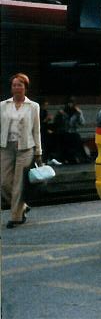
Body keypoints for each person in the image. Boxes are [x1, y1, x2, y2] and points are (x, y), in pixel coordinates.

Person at [0, 73, 42, 229]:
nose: (16, 88)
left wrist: (38, 152)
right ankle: (22, 206)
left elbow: (36, 130)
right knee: (4, 182)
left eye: (19, 85)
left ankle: (16, 217)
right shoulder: (3, 105)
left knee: (19, 183)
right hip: (6, 147)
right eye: (14, 85)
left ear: (25, 87)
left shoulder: (33, 106)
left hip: (25, 147)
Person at [54, 96, 89, 164]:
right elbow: (56, 122)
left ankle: (83, 157)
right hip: (64, 132)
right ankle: (63, 158)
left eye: (71, 103)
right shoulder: (62, 111)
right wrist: (60, 115)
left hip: (73, 131)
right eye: (68, 103)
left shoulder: (77, 112)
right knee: (62, 139)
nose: (70, 105)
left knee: (77, 139)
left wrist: (79, 114)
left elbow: (82, 123)